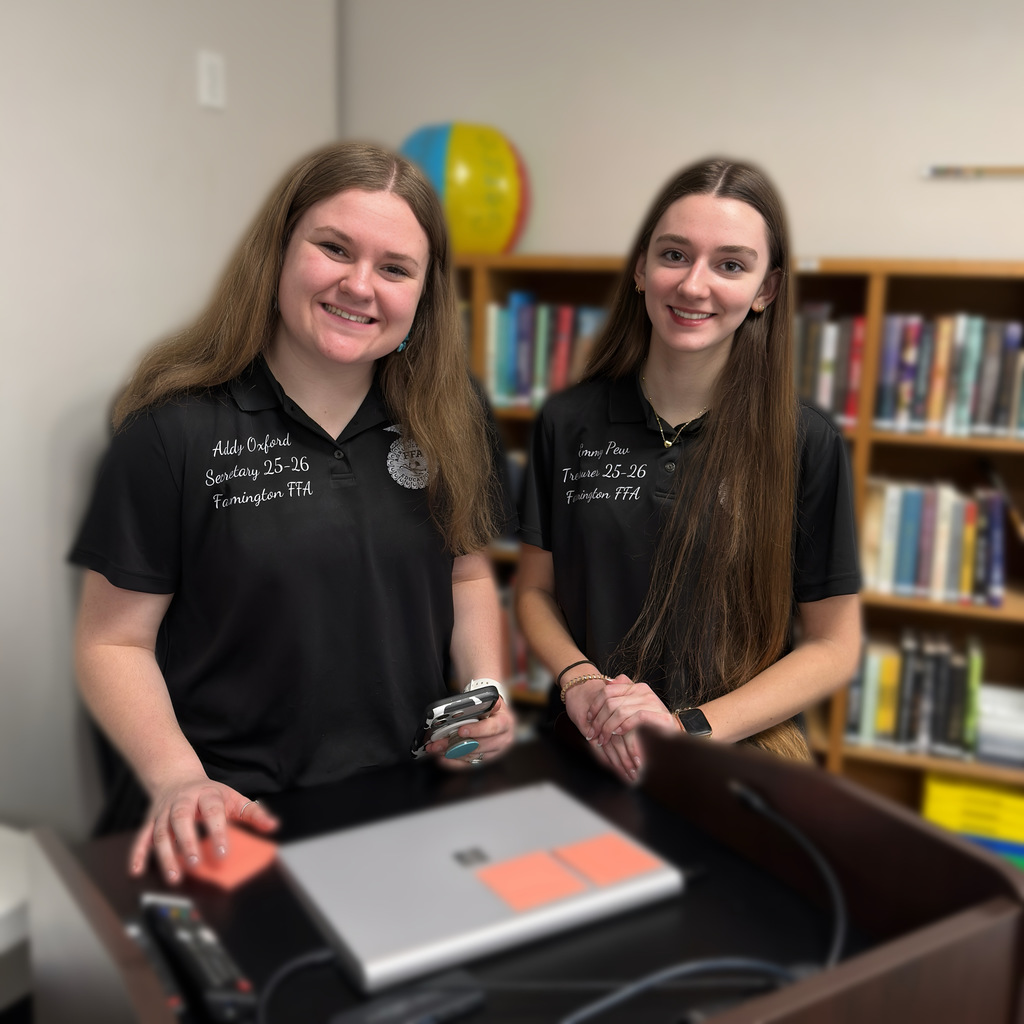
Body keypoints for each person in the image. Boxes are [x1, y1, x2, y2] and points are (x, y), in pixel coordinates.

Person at [71, 141, 516, 883]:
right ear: (279, 251)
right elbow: (111, 643)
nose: (359, 285)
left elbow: (466, 575)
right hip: (231, 816)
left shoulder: (454, 414)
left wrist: (484, 692)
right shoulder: (172, 429)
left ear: (424, 295)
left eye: (395, 268)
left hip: (401, 802)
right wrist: (180, 780)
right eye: (334, 248)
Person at [515, 157, 862, 785]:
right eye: (674, 255)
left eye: (730, 264)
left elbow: (835, 646)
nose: (695, 285)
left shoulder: (806, 443)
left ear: (766, 291)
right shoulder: (567, 422)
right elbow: (535, 591)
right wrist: (581, 682)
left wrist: (688, 727)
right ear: (641, 270)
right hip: (586, 751)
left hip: (735, 768)